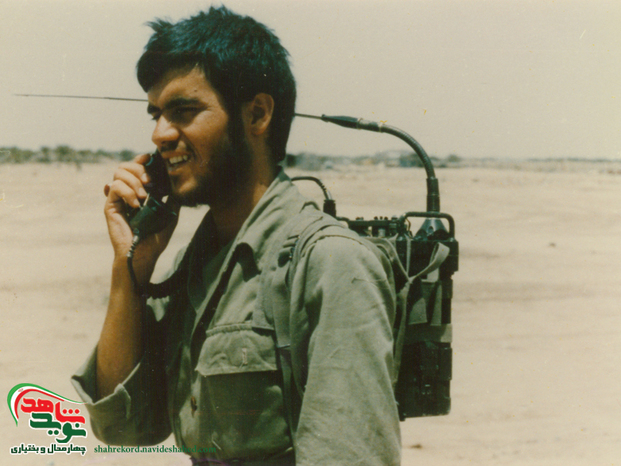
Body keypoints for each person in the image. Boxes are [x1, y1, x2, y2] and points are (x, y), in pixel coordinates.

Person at [72, 6, 401, 465]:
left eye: (183, 111)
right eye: (156, 115)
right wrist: (130, 267)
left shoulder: (329, 262)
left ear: (257, 114)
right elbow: (123, 426)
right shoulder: (198, 264)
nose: (160, 134)